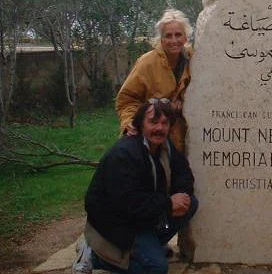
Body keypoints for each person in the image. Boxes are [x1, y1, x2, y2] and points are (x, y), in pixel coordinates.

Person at [82, 99, 198, 274]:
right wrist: (168, 204)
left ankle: (149, 246)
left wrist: (181, 195)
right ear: (140, 124)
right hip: (117, 225)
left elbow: (184, 174)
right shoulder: (124, 154)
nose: (159, 128)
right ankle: (95, 256)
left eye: (164, 123)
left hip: (144, 218)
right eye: (153, 122)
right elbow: (129, 204)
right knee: (157, 268)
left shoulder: (164, 147)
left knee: (190, 203)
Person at [116, 9, 193, 153]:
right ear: (161, 39)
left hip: (185, 138)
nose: (174, 40)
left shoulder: (193, 60)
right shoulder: (147, 63)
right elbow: (127, 100)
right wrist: (129, 122)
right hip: (152, 138)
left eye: (178, 35)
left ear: (185, 37)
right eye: (168, 36)